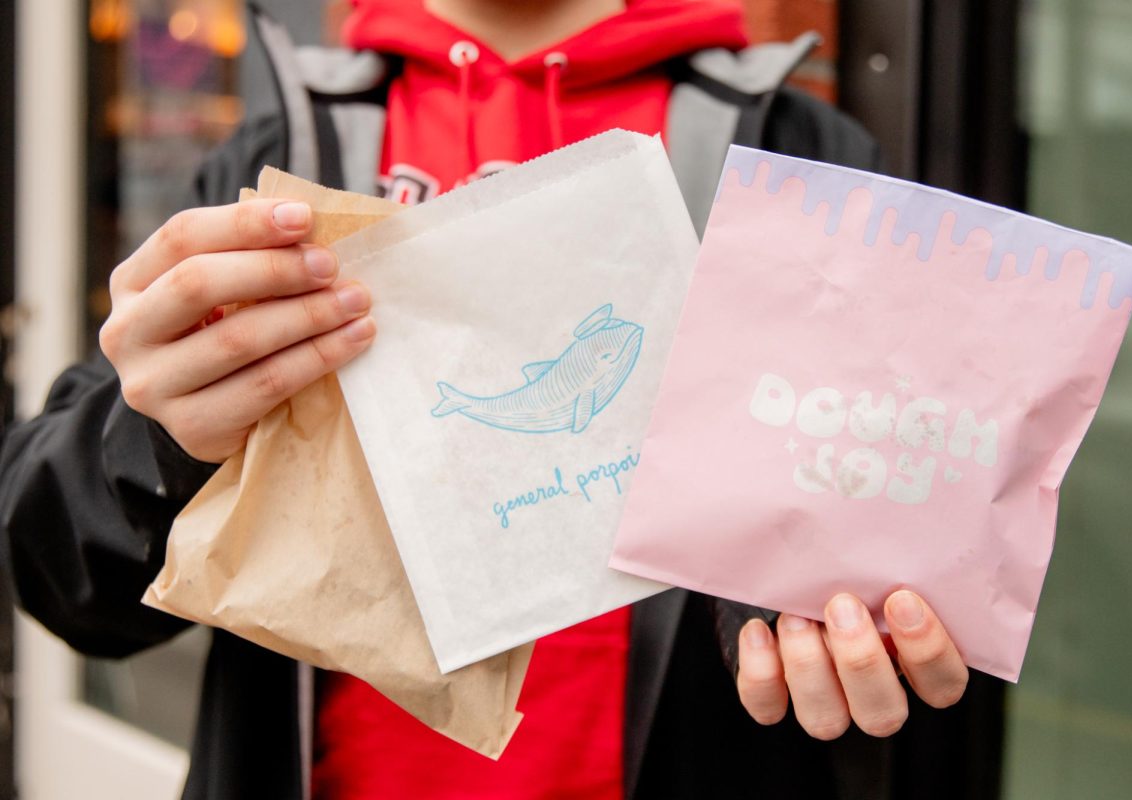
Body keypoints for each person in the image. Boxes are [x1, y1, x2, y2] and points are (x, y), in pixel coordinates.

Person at [1, 1, 994, 798]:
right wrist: (157, 434)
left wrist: (876, 623)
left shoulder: (805, 159)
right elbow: (53, 567)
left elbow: (904, 514)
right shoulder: (276, 170)